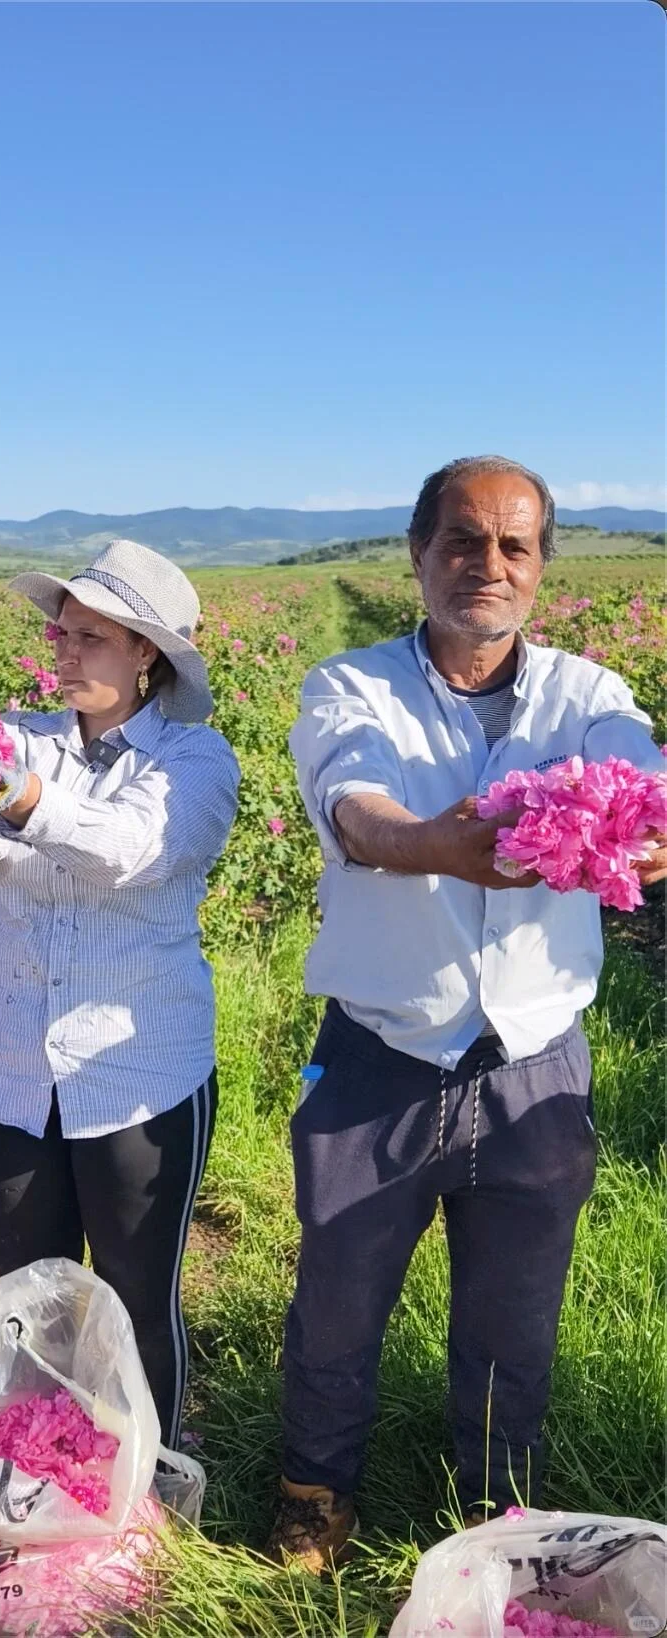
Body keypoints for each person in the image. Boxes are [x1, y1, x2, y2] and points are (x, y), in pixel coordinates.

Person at [269, 455, 666, 1570]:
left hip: (534, 1061)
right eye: (460, 540)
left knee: (513, 1317)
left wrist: (646, 825)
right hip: (381, 1054)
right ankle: (314, 1490)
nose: (484, 565)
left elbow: (637, 778)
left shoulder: (587, 697)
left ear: (540, 567)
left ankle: (497, 1523)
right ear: (417, 554)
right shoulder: (349, 685)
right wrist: (424, 844)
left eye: (513, 545)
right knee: (340, 1298)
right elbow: (354, 805)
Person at [0, 539, 239, 1448]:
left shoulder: (195, 761)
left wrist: (16, 795)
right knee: (31, 1292)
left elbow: (127, 852)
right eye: (60, 633)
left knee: (138, 1294)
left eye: (90, 637)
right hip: (3, 1070)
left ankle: (154, 1482)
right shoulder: (20, 737)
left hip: (136, 1077)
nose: (62, 650)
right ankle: (49, 1470)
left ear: (148, 653)